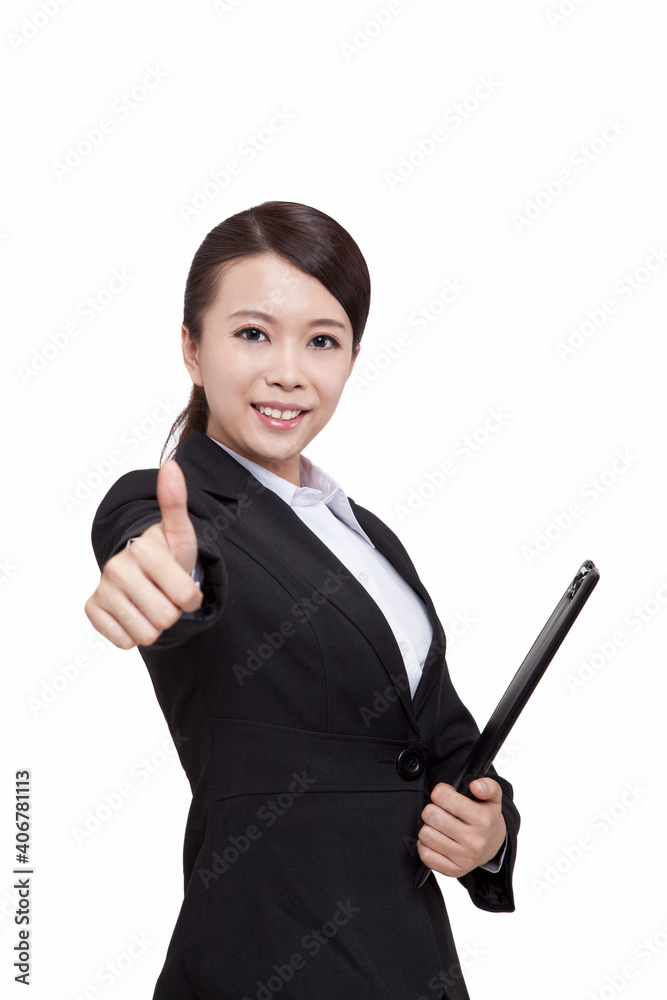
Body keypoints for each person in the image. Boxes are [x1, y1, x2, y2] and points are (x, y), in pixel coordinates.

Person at [84, 200, 519, 1000]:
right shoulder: (166, 505)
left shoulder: (370, 539)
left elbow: (443, 741)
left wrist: (487, 835)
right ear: (191, 347)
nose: (289, 371)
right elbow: (165, 560)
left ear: (351, 357)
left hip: (410, 961)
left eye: (322, 340)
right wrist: (154, 579)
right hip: (268, 959)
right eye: (252, 333)